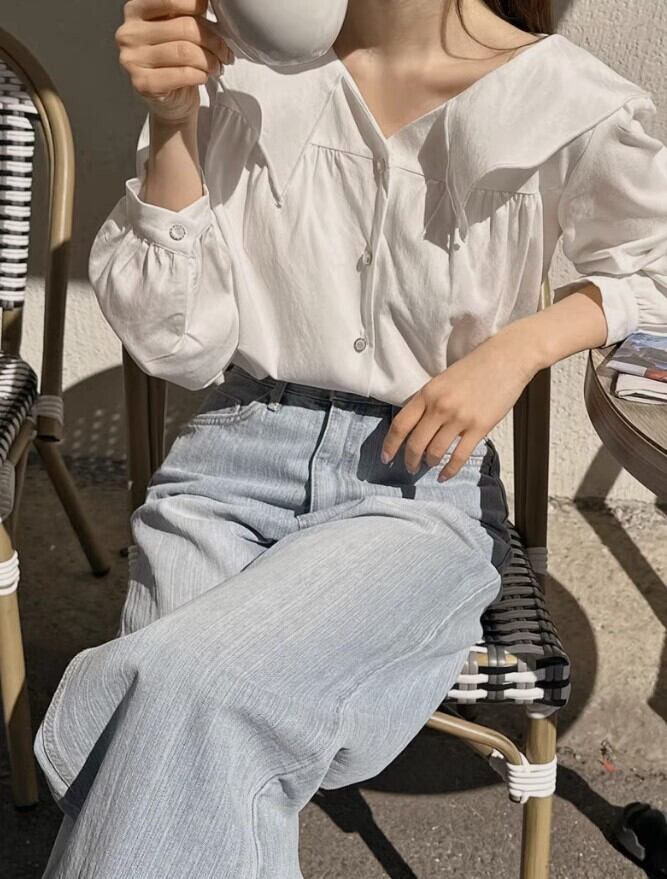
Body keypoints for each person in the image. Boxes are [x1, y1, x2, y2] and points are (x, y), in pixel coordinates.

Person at [34, 0, 667, 876]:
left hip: (415, 487)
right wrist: (173, 124)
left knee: (171, 697)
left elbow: (652, 277)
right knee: (190, 723)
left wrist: (518, 350)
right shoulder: (240, 77)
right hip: (225, 468)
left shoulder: (568, 101)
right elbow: (176, 344)